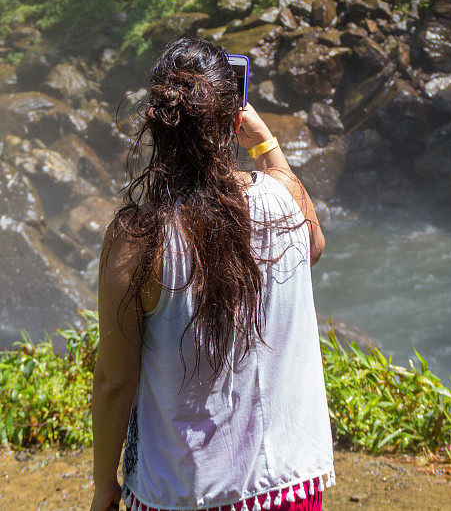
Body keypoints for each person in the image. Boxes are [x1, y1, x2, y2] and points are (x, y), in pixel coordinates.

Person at [90, 37, 335, 511]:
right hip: (289, 484)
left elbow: (114, 382)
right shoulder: (285, 196)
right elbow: (315, 246)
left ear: (157, 123)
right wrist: (264, 141)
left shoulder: (138, 238)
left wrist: (105, 487)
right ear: (232, 119)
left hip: (183, 492)